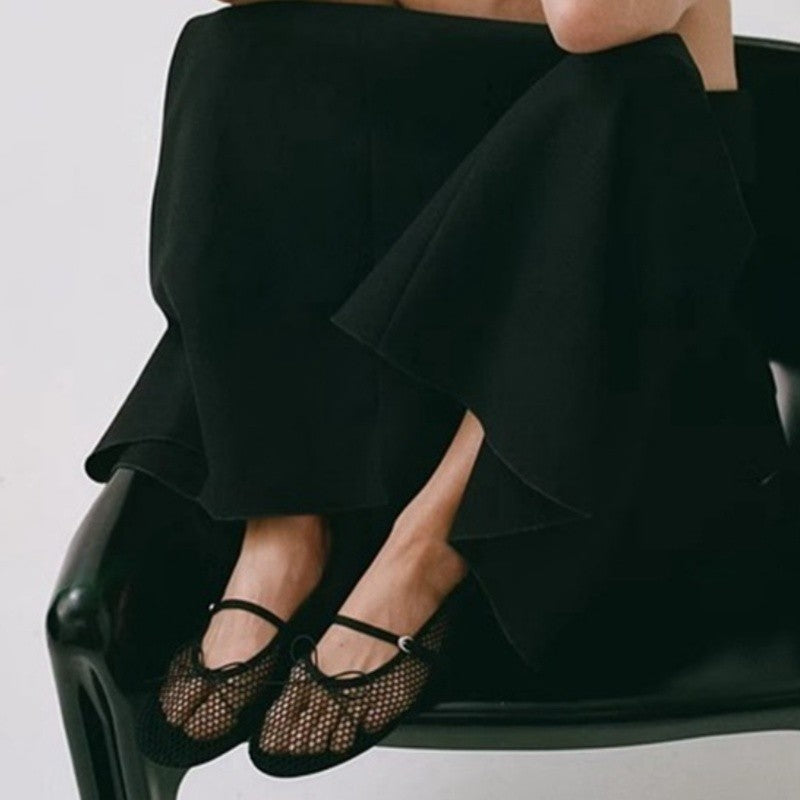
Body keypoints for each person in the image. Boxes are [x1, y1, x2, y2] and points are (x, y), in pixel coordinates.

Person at [82, 0, 790, 778]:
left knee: (632, 83)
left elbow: (585, 21)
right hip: (413, 400)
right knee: (234, 51)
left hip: (624, 422)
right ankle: (283, 531)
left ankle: (428, 552)